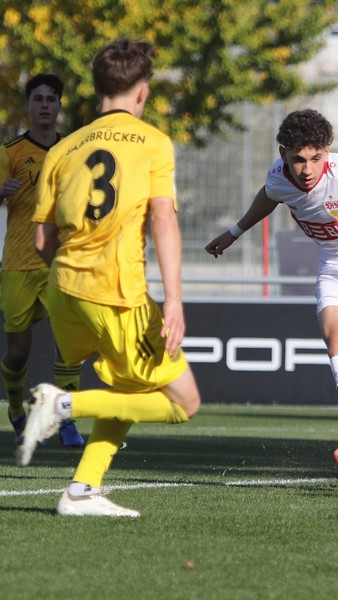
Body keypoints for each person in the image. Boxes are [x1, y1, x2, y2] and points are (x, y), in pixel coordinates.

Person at [18, 39, 202, 518]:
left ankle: (82, 490)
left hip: (63, 289)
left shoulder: (62, 148)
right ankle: (63, 407)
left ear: (97, 88)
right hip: (116, 293)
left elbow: (42, 241)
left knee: (127, 389)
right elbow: (164, 219)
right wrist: (175, 301)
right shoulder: (154, 142)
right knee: (184, 402)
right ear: (142, 92)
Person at [205, 109, 338, 492]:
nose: (307, 169)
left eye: (316, 158)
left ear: (328, 151)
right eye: (298, 159)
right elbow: (270, 195)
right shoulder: (280, 176)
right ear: (284, 154)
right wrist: (234, 232)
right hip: (333, 267)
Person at [0, 74, 84, 447]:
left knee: (69, 342)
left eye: (52, 98)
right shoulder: (11, 152)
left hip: (59, 262)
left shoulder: (74, 151)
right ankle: (16, 408)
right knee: (17, 353)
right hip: (18, 262)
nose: (46, 104)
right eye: (39, 98)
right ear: (29, 105)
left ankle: (65, 418)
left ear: (59, 105)